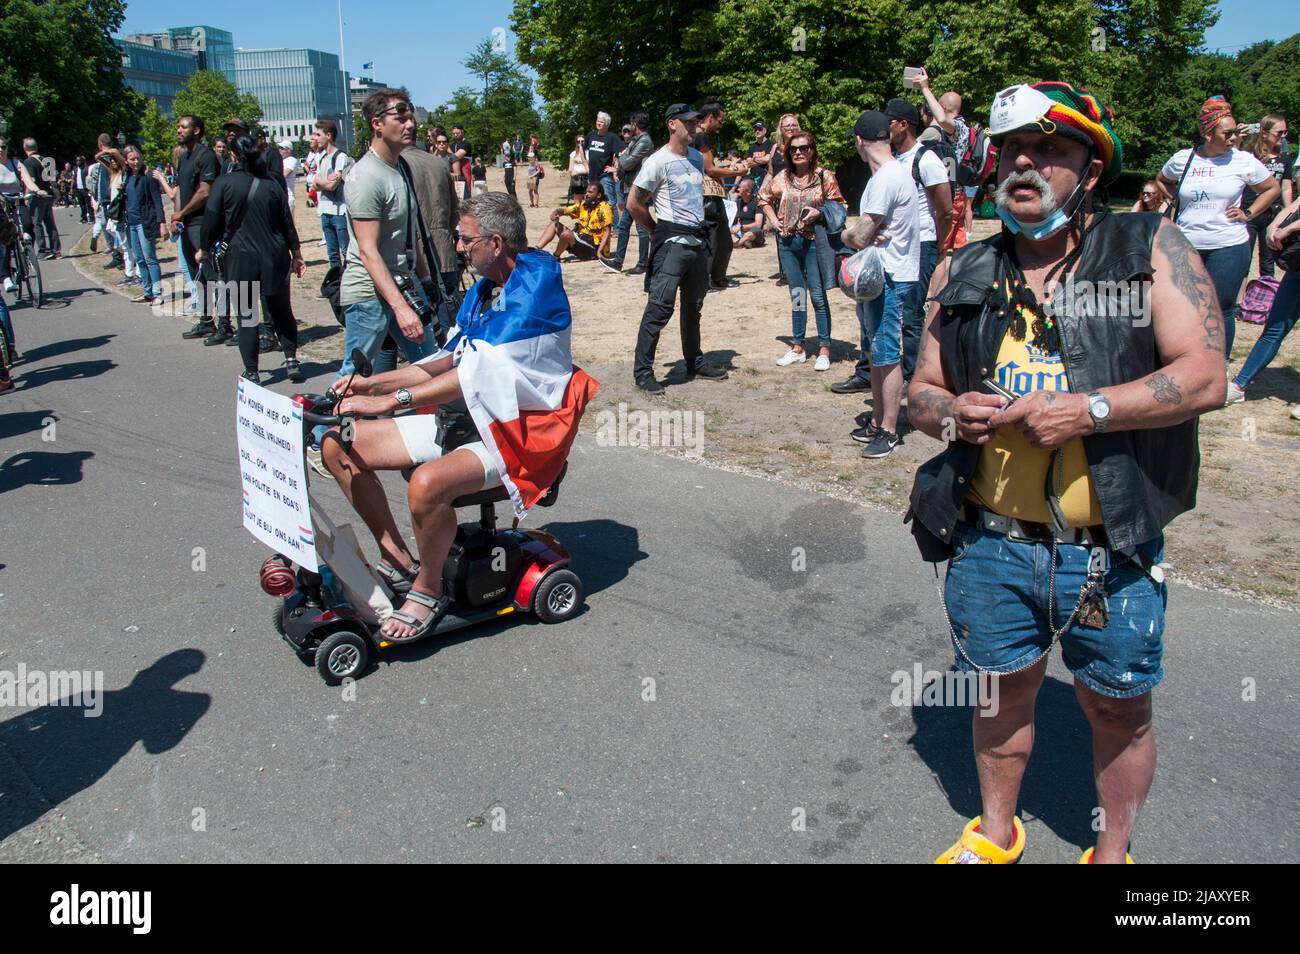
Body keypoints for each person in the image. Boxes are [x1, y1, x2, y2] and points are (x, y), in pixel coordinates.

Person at [910, 81, 1226, 865]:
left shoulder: (1148, 246)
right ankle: (994, 834)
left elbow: (1206, 377)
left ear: (1090, 167)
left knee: (1118, 711)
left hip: (1110, 549)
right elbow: (918, 391)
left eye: (1050, 149)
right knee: (998, 695)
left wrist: (1089, 411)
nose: (1026, 163)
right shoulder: (964, 268)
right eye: (1013, 149)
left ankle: (1111, 854)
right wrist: (952, 414)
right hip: (989, 540)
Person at [324, 192, 598, 639]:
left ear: (494, 242)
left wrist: (389, 402)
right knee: (339, 443)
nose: (457, 247)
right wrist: (372, 384)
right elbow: (449, 358)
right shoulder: (485, 288)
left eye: (464, 239)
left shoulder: (534, 290)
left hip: (518, 434)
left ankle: (428, 590)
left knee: (427, 483)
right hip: (472, 419)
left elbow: (475, 372)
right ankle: (399, 560)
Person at [1158, 96, 1279, 358]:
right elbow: (1163, 179)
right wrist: (1175, 200)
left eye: (1235, 132)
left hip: (1228, 244)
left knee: (1222, 307)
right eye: (1228, 133)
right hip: (1186, 244)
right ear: (1208, 133)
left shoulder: (1242, 161)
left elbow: (1271, 188)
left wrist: (1248, 212)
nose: (1234, 137)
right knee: (1183, 305)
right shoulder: (1184, 158)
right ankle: (1184, 359)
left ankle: (1216, 367)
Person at [332, 89, 438, 384]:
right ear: (376, 124)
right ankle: (320, 429)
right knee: (353, 380)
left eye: (411, 117)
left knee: (433, 369)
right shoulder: (366, 176)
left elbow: (408, 232)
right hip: (369, 294)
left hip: (402, 285)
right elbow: (368, 251)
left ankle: (436, 429)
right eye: (400, 117)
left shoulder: (399, 167)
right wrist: (401, 308)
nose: (410, 124)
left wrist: (425, 282)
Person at [626, 103, 729, 393]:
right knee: (659, 308)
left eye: (696, 121)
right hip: (672, 244)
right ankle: (643, 372)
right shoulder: (657, 161)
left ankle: (694, 361)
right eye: (688, 122)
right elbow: (634, 203)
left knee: (693, 306)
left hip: (698, 243)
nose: (694, 126)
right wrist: (657, 230)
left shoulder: (697, 158)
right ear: (673, 124)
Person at [835, 110, 919, 460]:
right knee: (873, 352)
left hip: (888, 278)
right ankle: (876, 420)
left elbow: (860, 234)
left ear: (859, 140)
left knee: (886, 355)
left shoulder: (885, 178)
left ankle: (889, 429)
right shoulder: (893, 172)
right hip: (881, 276)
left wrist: (844, 233)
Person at [196, 134, 306, 383]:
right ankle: (291, 361)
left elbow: (211, 221)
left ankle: (253, 371)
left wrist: (203, 249)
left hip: (240, 255)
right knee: (281, 310)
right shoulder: (272, 183)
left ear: (233, 155)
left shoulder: (225, 183)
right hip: (275, 254)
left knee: (246, 315)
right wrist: (297, 253)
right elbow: (286, 222)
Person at [758, 130, 843, 371]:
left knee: (817, 295)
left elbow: (840, 204)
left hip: (815, 243)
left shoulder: (824, 177)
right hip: (788, 243)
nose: (798, 152)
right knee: (797, 295)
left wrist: (820, 212)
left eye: (804, 147)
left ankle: (824, 348)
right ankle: (798, 347)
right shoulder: (783, 178)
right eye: (793, 148)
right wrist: (774, 221)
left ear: (812, 150)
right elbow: (763, 198)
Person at [887, 96, 953, 382]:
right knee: (891, 310)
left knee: (912, 314)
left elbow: (945, 209)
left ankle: (913, 375)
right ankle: (880, 370)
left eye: (888, 121)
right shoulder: (891, 159)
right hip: (895, 244)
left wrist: (939, 246)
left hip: (921, 244)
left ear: (904, 125)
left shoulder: (926, 159)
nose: (883, 127)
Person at [1226, 191, 1300, 404]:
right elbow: (1296, 202)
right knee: (1274, 328)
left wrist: (1289, 228)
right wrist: (1274, 225)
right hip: (1297, 267)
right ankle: (1240, 385)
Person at [400, 136, 461, 339]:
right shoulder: (439, 163)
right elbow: (455, 211)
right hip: (444, 248)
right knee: (449, 315)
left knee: (427, 324)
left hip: (415, 256)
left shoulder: (396, 164)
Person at [694, 98, 751, 290]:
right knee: (714, 239)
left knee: (723, 239)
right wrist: (738, 172)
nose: (721, 125)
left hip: (710, 194)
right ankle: (708, 281)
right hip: (707, 195)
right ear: (710, 117)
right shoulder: (700, 136)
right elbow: (709, 169)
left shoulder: (698, 135)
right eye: (720, 120)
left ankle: (717, 278)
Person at [172, 115, 221, 341]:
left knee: (210, 274)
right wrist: (176, 217)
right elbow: (181, 190)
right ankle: (206, 321)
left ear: (197, 130)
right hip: (186, 223)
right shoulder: (184, 157)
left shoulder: (206, 156)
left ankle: (224, 324)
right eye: (178, 127)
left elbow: (204, 191)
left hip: (202, 223)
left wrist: (182, 213)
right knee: (196, 275)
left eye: (184, 127)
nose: (179, 130)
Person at [1239, 114, 1292, 277]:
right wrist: (1241, 137)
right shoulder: (1248, 156)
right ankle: (1239, 301)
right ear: (1264, 133)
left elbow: (1286, 187)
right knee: (1243, 261)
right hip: (1249, 211)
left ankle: (1265, 299)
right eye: (1279, 132)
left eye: (1285, 132)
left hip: (1272, 213)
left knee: (1268, 262)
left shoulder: (1284, 158)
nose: (1283, 136)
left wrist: (1287, 214)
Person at [605, 111, 654, 274]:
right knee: (624, 225)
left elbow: (626, 163)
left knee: (641, 227)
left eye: (631, 124)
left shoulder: (644, 141)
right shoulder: (637, 140)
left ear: (635, 125)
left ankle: (643, 263)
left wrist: (621, 159)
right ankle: (618, 262)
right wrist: (622, 159)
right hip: (630, 188)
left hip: (639, 189)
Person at [0, 136, 46, 299]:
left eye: (3, 147)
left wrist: (36, 190)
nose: (1, 150)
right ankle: (6, 277)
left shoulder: (15, 163)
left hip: (17, 199)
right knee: (5, 240)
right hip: (1, 203)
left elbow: (27, 179)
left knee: (28, 226)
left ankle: (26, 253)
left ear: (7, 148)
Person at [121, 144, 167, 304]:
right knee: (139, 259)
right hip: (131, 222)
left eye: (138, 158)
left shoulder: (148, 176)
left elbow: (157, 200)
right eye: (132, 159)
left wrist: (162, 223)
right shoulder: (126, 177)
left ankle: (157, 292)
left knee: (150, 258)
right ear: (126, 161)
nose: (136, 162)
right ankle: (147, 291)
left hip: (145, 221)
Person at [313, 118, 353, 271]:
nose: (316, 138)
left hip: (339, 212)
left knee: (346, 251)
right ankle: (335, 283)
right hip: (325, 211)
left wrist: (321, 182)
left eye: (318, 134)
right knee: (332, 253)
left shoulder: (340, 157)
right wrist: (323, 182)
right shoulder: (322, 158)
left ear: (328, 135)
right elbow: (314, 184)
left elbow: (332, 185)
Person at [537, 182, 613, 262]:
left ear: (598, 195)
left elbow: (607, 231)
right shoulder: (584, 205)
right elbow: (564, 211)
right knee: (554, 224)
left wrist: (599, 252)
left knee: (566, 234)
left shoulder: (604, 208)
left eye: (590, 192)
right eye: (586, 192)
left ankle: (555, 256)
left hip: (594, 247)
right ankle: (536, 250)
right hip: (581, 239)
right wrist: (555, 212)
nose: (586, 194)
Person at [21, 138, 60, 259]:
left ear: (25, 148)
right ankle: (56, 250)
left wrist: (26, 197)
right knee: (50, 224)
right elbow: (53, 180)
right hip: (48, 195)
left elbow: (30, 181)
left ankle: (43, 250)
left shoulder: (28, 162)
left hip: (37, 196)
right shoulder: (46, 160)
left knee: (36, 223)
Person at [587, 111, 623, 227]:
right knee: (591, 201)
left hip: (605, 176)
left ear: (606, 124)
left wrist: (615, 168)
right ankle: (594, 224)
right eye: (598, 121)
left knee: (610, 202)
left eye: (601, 122)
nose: (599, 123)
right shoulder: (591, 135)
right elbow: (580, 150)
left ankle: (616, 227)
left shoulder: (611, 137)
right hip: (592, 175)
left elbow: (622, 152)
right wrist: (585, 164)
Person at [731, 175, 765, 249]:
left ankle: (737, 244)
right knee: (729, 231)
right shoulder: (738, 202)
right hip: (742, 232)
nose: (738, 189)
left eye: (741, 188)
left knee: (751, 233)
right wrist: (736, 228)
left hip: (754, 233)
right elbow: (740, 220)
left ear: (749, 192)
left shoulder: (757, 202)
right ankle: (746, 242)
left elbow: (758, 224)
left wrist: (742, 227)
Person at [746, 120, 776, 192]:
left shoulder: (771, 144)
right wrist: (762, 161)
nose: (757, 131)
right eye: (755, 130)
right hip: (753, 176)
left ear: (765, 131)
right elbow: (748, 163)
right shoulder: (752, 146)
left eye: (759, 129)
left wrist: (754, 158)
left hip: (765, 176)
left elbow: (768, 159)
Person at [450, 124, 473, 200]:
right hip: (454, 171)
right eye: (454, 133)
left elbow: (455, 156)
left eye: (457, 133)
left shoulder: (466, 143)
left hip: (464, 171)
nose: (455, 135)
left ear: (462, 132)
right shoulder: (452, 145)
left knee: (466, 194)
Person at [278, 141, 298, 208]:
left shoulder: (292, 160)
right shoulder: (281, 160)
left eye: (282, 148)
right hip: (281, 195)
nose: (279, 150)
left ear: (289, 150)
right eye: (279, 148)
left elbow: (284, 175)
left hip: (288, 195)